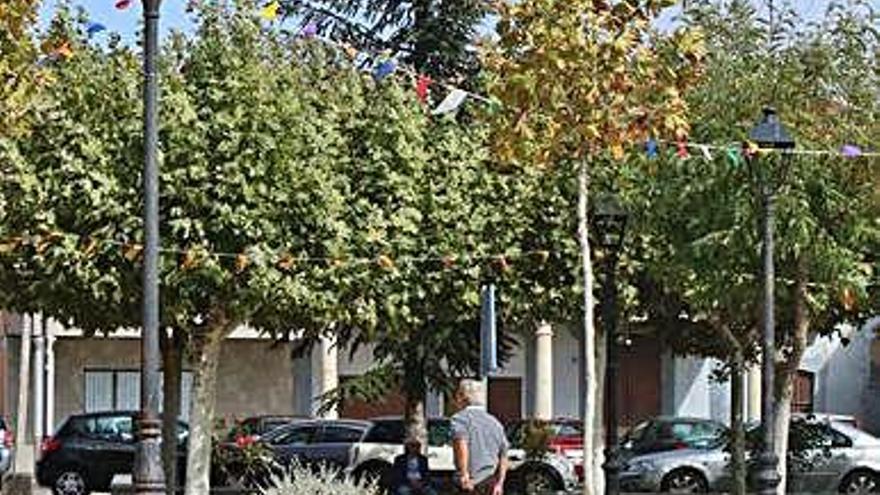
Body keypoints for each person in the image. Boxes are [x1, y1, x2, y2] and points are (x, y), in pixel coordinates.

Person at [451, 379, 509, 495]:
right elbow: (504, 454)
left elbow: (461, 445)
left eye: (457, 395)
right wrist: (500, 483)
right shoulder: (495, 422)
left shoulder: (460, 419)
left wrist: (464, 474)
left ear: (462, 397)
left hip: (471, 482)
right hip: (490, 482)